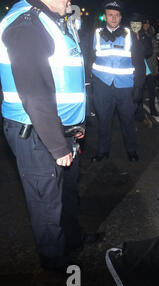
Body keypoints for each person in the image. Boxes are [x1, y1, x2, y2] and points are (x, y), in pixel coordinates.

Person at [0, 0, 99, 271]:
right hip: (36, 133)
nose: (70, 1)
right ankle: (54, 261)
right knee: (46, 201)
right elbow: (35, 94)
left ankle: (72, 239)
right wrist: (57, 146)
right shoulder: (27, 25)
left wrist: (74, 126)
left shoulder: (48, 19)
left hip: (60, 128)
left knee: (66, 192)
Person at [89, 0, 145, 162]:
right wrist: (89, 84)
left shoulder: (130, 35)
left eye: (117, 15)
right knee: (104, 120)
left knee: (127, 120)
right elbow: (88, 58)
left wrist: (138, 87)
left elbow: (139, 62)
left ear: (121, 17)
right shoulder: (96, 34)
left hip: (125, 86)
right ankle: (102, 151)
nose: (113, 18)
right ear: (105, 17)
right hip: (102, 85)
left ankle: (131, 150)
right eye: (110, 15)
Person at [129, 12, 153, 122]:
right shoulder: (127, 35)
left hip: (140, 71)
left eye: (138, 23)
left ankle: (139, 116)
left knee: (139, 95)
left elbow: (149, 51)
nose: (136, 25)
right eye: (133, 23)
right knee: (130, 96)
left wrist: (141, 42)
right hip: (129, 71)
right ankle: (131, 118)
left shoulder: (144, 36)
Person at [142, 17, 159, 117]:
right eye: (145, 23)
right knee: (139, 92)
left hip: (151, 67)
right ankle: (139, 112)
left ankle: (153, 110)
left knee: (152, 91)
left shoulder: (153, 35)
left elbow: (156, 50)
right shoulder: (138, 35)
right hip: (141, 68)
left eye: (148, 23)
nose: (146, 25)